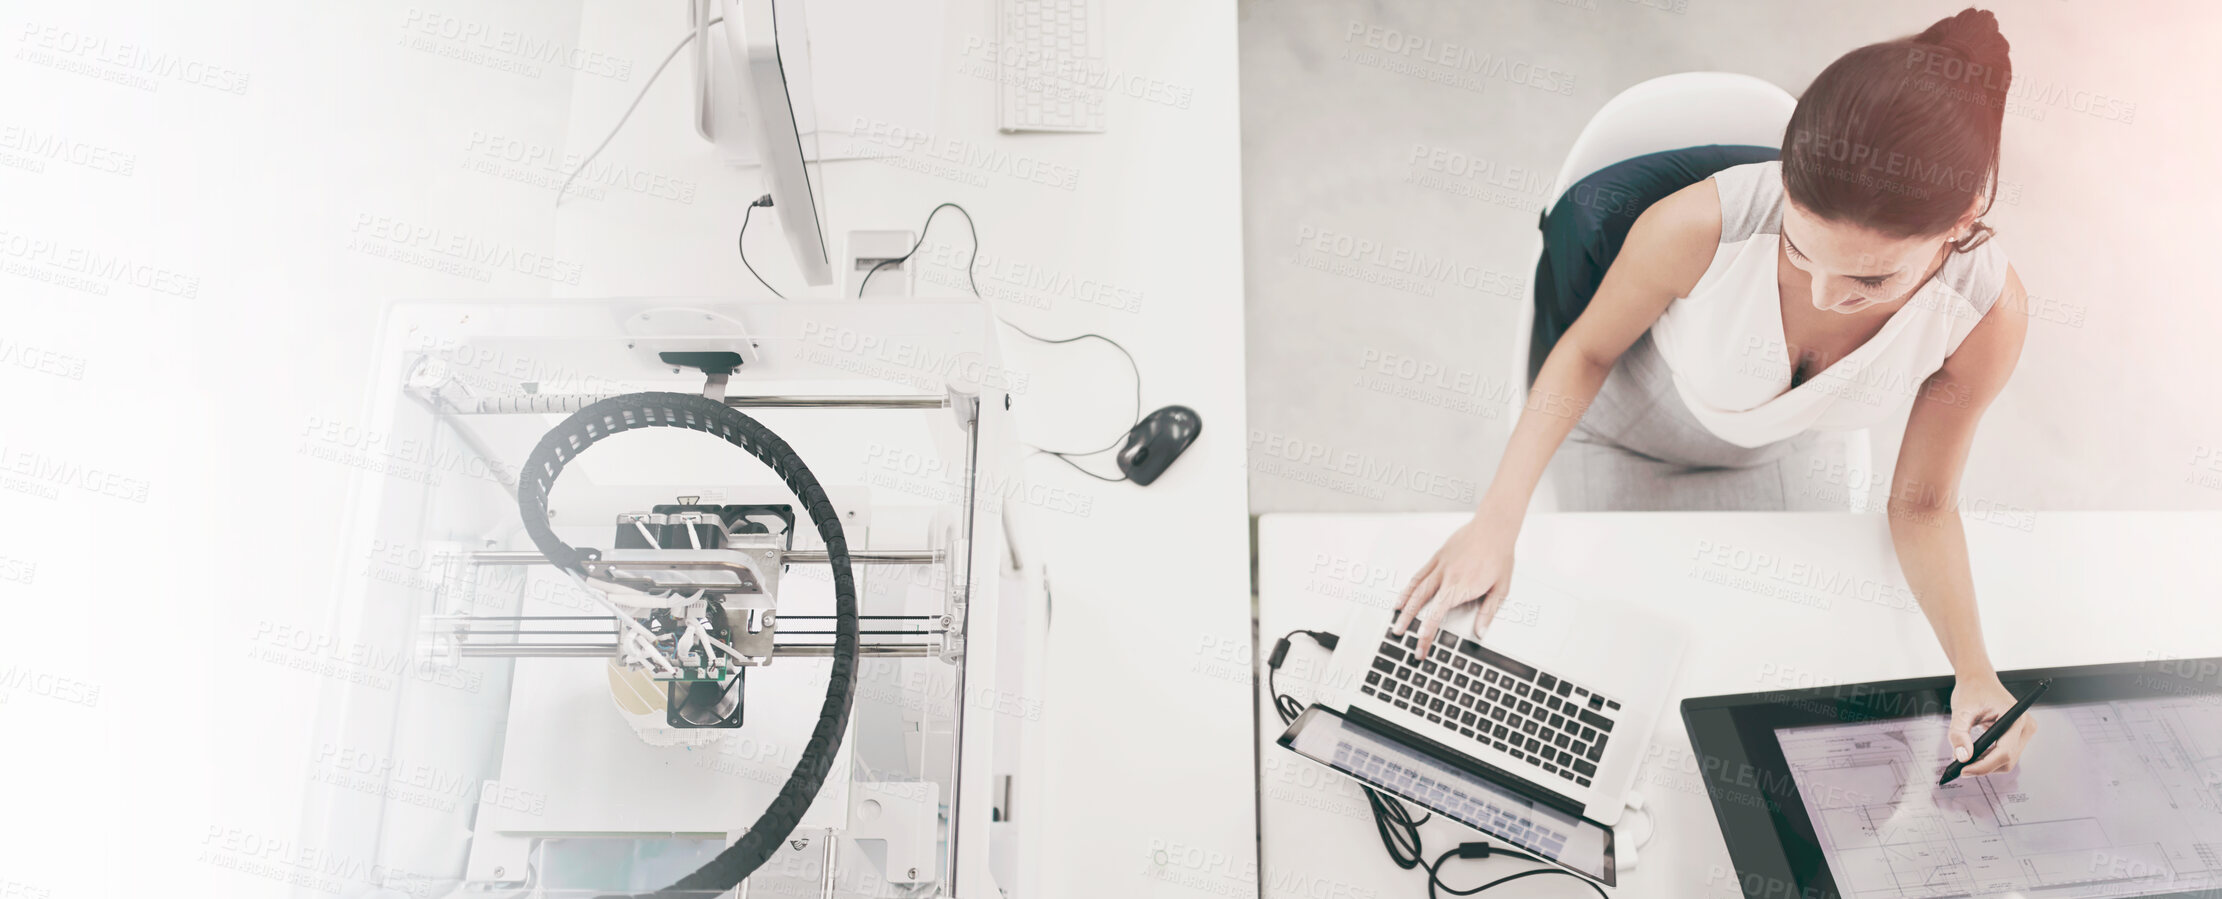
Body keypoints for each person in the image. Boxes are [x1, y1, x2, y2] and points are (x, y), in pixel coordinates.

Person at [1396, 9, 2035, 777]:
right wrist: (1497, 521)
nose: (1828, 295)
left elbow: (1925, 502)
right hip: (1626, 429)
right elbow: (1586, 351)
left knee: (1768, 682)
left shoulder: (1987, 314)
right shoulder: (1700, 222)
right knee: (1622, 685)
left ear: (1962, 221)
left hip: (1785, 454)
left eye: (1872, 278)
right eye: (1801, 247)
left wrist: (1972, 667)